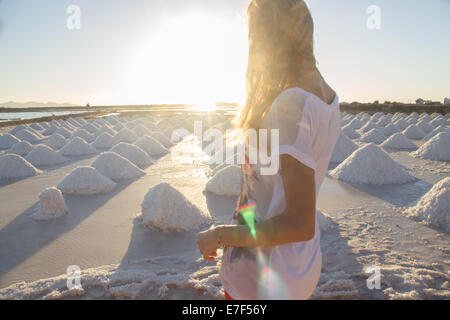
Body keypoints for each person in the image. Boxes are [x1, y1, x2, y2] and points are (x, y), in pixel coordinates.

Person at [197, 0, 341, 300]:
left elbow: (298, 223)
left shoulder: (292, 103)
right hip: (296, 266)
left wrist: (220, 236)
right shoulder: (328, 96)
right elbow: (271, 195)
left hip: (264, 281)